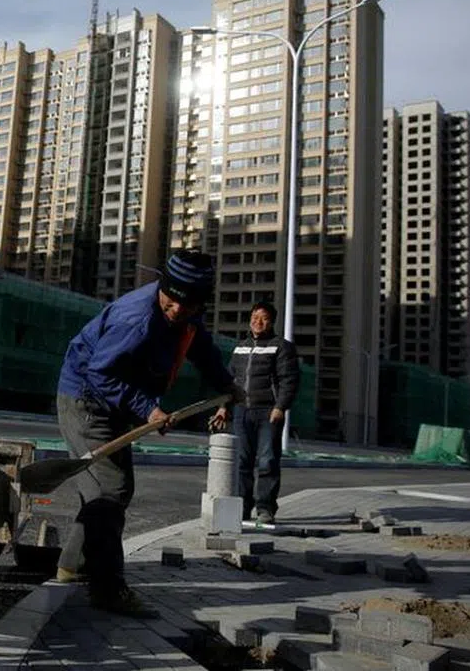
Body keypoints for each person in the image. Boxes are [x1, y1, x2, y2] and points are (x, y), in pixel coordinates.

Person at [54, 249, 245, 618]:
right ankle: (107, 589)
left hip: (113, 401)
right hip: (86, 399)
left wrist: (228, 385)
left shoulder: (187, 315)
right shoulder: (137, 319)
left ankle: (71, 566)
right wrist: (148, 409)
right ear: (162, 288)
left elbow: (202, 351)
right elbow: (100, 374)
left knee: (104, 490)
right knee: (111, 489)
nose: (175, 311)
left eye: (186, 307)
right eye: (170, 302)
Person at [212, 301, 300, 525]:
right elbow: (231, 381)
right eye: (254, 317)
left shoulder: (281, 347)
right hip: (242, 412)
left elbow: (288, 381)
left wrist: (280, 407)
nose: (257, 322)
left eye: (263, 318)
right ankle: (242, 507)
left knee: (267, 461)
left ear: (272, 321)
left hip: (268, 412)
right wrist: (224, 407)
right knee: (242, 462)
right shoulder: (240, 347)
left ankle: (265, 508)